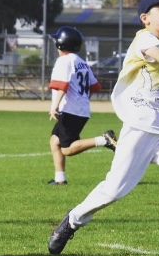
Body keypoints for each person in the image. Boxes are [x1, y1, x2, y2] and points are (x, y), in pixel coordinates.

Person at [48, 0, 159, 256]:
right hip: (138, 128)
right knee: (114, 189)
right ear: (145, 18)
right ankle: (73, 220)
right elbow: (154, 53)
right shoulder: (144, 40)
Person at [48, 25, 117, 185]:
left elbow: (62, 85)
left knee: (67, 148)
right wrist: (81, 99)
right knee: (55, 141)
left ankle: (104, 140)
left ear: (61, 43)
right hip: (80, 109)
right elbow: (95, 86)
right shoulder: (82, 63)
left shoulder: (63, 61)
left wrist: (54, 106)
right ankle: (60, 180)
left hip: (70, 110)